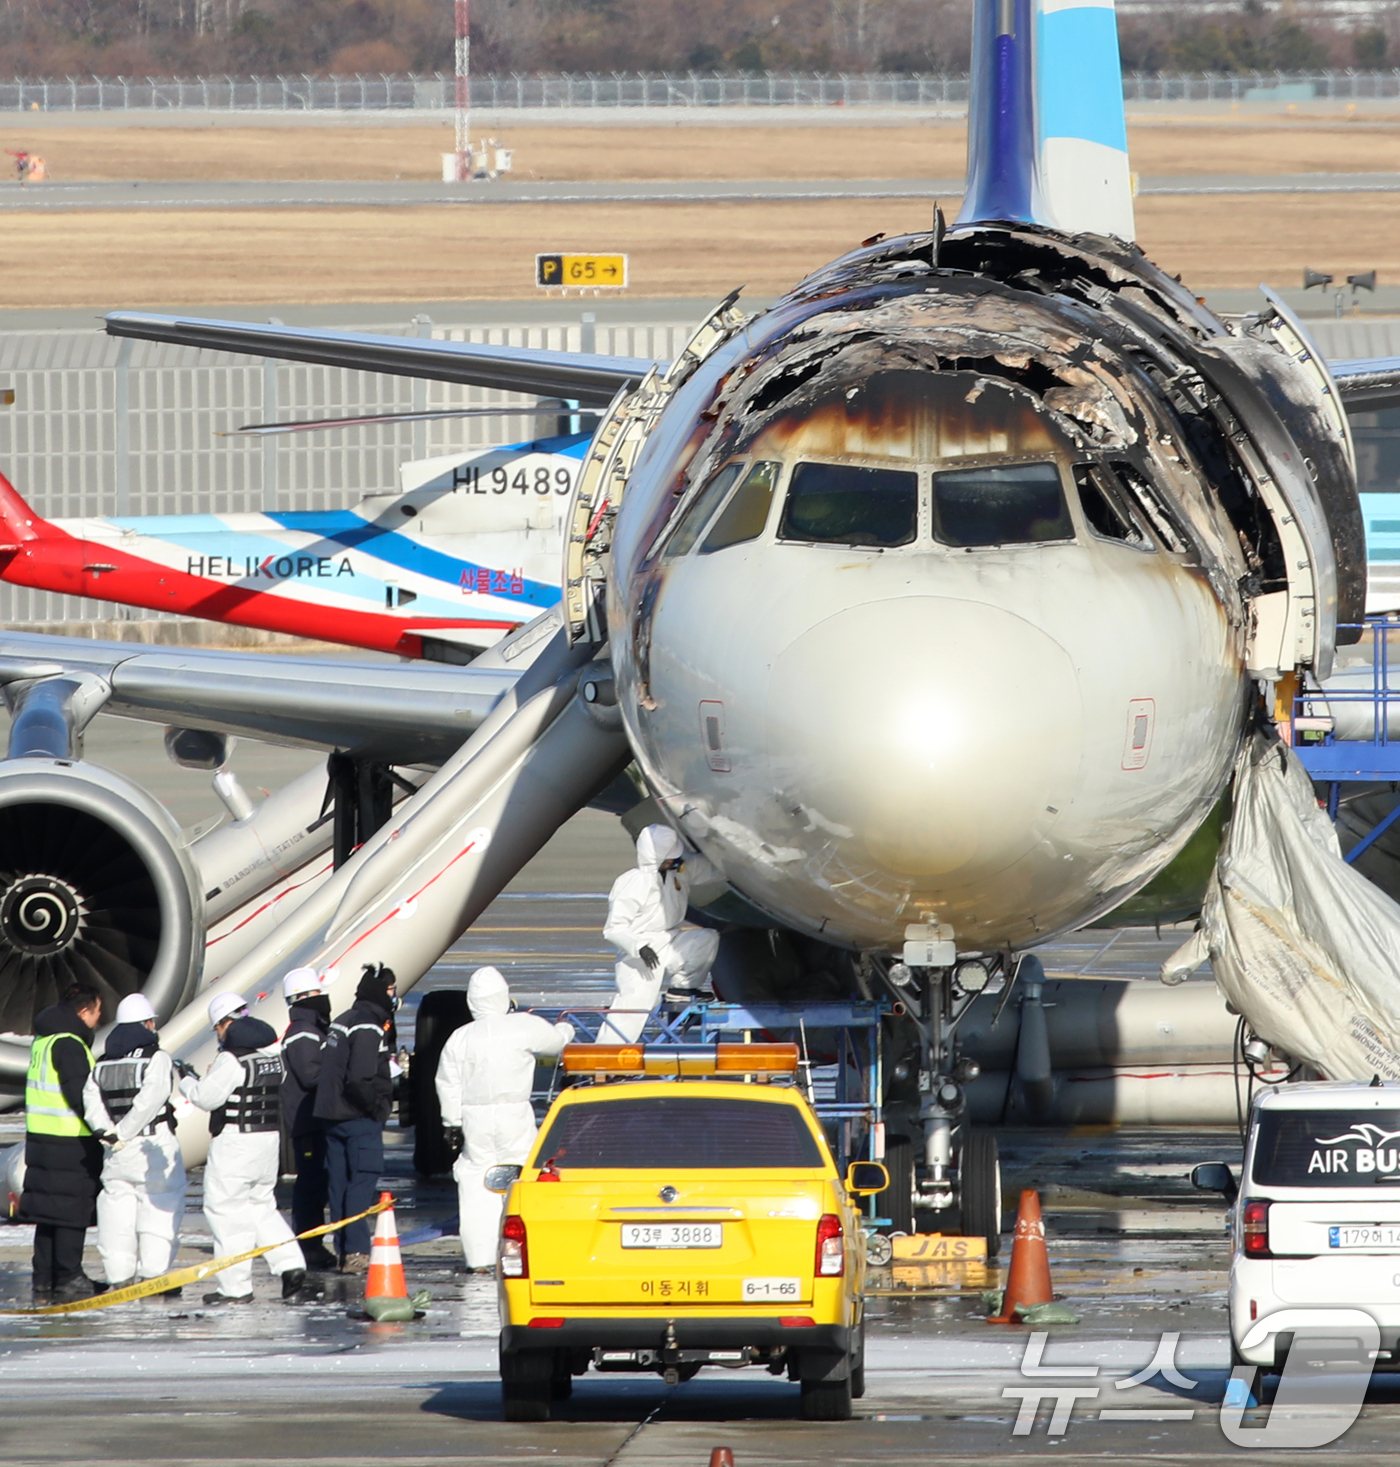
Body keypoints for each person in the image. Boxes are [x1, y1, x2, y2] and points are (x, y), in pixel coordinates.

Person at [435, 967, 574, 1271]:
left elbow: (447, 1081)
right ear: (502, 996)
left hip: (475, 1118)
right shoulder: (521, 1026)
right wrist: (566, 1029)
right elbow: (555, 1041)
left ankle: (479, 1258)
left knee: (475, 1183)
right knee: (523, 1176)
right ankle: (527, 1249)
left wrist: (452, 1123)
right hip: (514, 1113)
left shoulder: (460, 1037)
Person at [180, 992, 307, 1305]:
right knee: (261, 1207)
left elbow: (206, 1098)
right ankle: (291, 1264)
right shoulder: (272, 1054)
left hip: (235, 1144)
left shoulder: (231, 1059)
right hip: (267, 1142)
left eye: (218, 1029)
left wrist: (185, 1080)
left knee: (226, 1212)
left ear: (225, 1023)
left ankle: (235, 1287)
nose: (219, 1036)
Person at [82, 992, 186, 1293]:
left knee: (116, 1213)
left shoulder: (102, 1063)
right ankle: (155, 1276)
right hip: (152, 1145)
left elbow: (92, 1104)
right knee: (160, 1209)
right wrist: (126, 1132)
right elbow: (150, 1101)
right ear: (147, 1023)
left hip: (114, 1152)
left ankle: (119, 1275)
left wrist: (110, 1134)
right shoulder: (157, 1058)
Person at [19, 982, 107, 1303]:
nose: (98, 1019)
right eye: (97, 1012)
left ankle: (44, 1277)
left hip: (43, 1139)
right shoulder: (70, 1045)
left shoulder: (44, 1041)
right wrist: (104, 1129)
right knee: (72, 1211)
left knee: (48, 1213)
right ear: (84, 1011)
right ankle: (69, 1276)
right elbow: (79, 1094)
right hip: (71, 1141)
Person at [601, 824, 723, 1041]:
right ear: (654, 857)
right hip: (639, 953)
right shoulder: (633, 882)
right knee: (633, 1008)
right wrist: (638, 947)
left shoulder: (678, 873)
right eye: (670, 857)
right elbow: (614, 929)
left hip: (670, 939)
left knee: (706, 939)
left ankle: (684, 989)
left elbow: (710, 867)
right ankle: (604, 1059)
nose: (675, 861)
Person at [314, 964, 396, 1274]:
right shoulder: (368, 1025)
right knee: (361, 1183)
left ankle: (343, 1249)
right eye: (390, 990)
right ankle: (358, 1251)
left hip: (331, 1116)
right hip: (358, 1117)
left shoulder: (343, 1020)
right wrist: (376, 1106)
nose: (394, 996)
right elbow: (360, 1076)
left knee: (339, 1185)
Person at [280, 967, 336, 1271]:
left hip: (315, 1119)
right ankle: (309, 1246)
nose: (322, 999)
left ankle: (313, 1242)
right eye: (316, 994)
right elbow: (310, 1074)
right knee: (311, 1185)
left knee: (317, 1182)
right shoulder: (303, 1032)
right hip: (308, 1121)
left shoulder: (313, 1029)